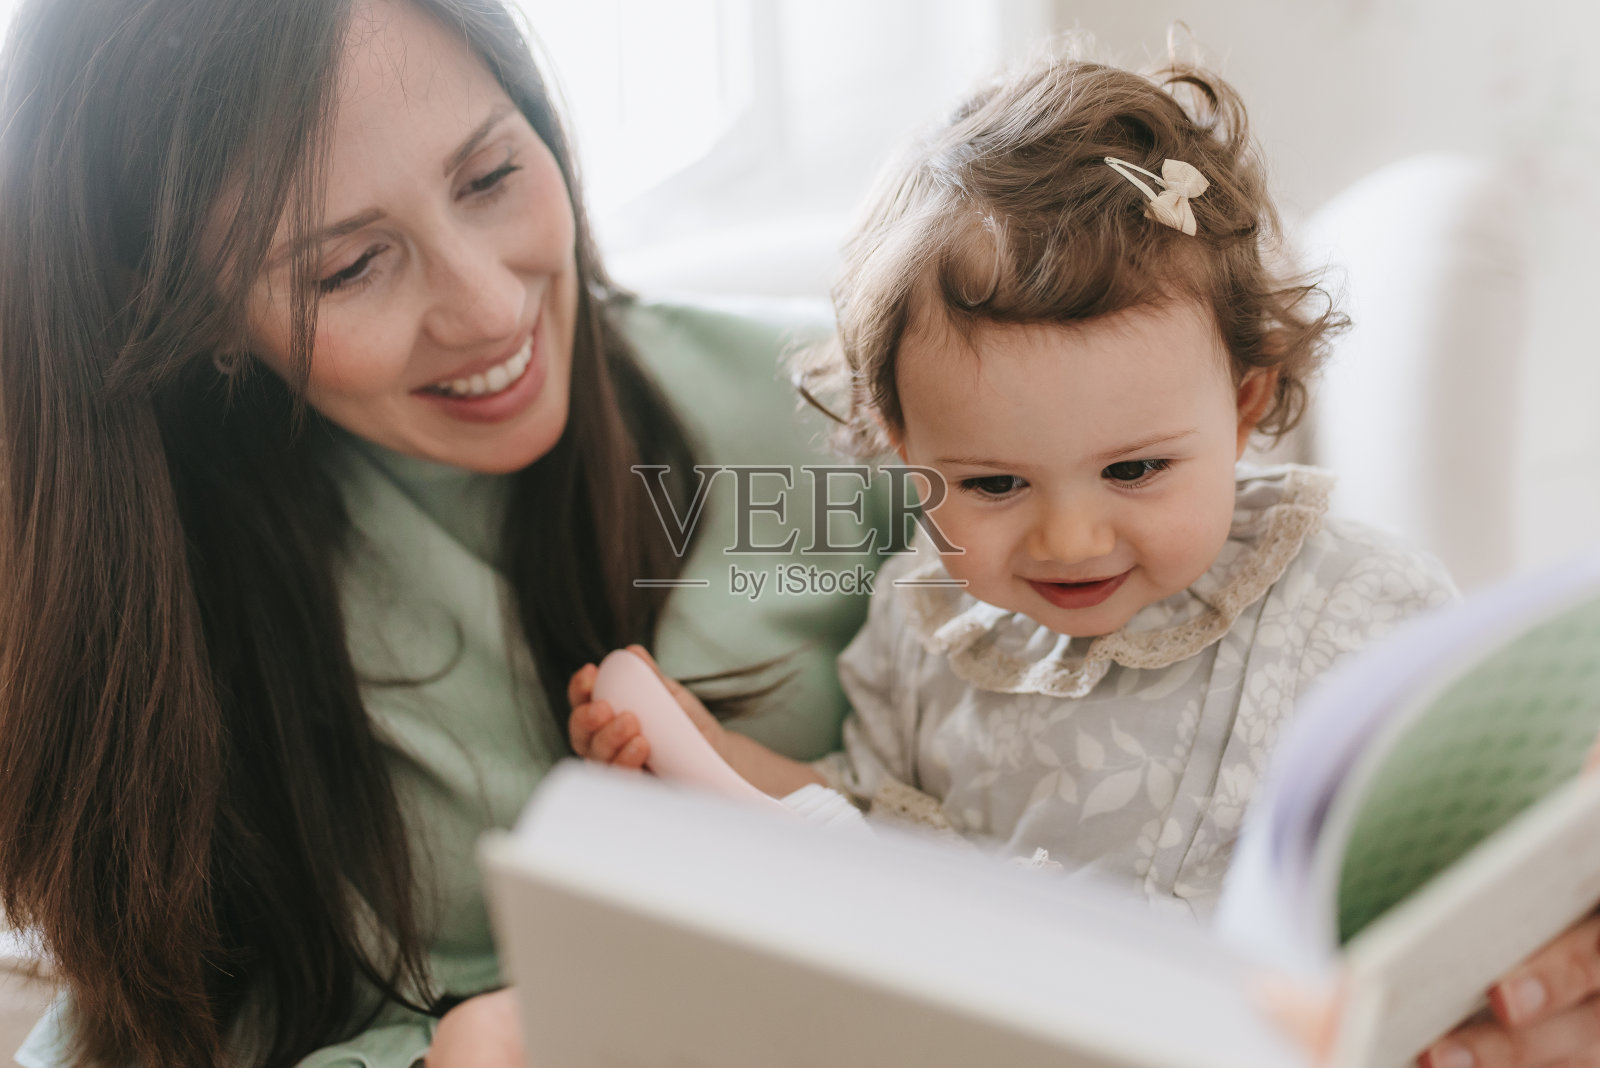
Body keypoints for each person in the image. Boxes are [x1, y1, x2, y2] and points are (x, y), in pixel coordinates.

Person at [569, 52, 1600, 1068]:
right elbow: (861, 839)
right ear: (900, 442)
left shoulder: (1363, 599)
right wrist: (702, 749)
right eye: (992, 485)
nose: (1070, 539)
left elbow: (1494, 826)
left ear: (1243, 404)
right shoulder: (921, 629)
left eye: (1136, 469)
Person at [0, 1, 880, 1066]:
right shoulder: (160, 615)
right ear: (193, 312)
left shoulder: (856, 414)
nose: (488, 306)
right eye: (348, 268)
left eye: (490, 178)